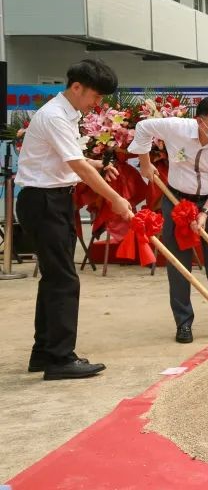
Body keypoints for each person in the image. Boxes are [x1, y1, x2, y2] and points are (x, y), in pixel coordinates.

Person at [16, 59, 133, 380]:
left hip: (54, 200)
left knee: (55, 278)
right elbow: (76, 166)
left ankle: (44, 352)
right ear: (76, 87)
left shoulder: (68, 114)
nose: (98, 103)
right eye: (96, 96)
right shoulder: (54, 116)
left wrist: (98, 164)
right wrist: (116, 198)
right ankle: (60, 359)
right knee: (64, 280)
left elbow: (71, 159)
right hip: (43, 202)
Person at [130, 96, 208, 343]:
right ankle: (183, 323)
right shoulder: (177, 128)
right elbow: (143, 127)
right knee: (178, 263)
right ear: (199, 121)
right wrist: (145, 163)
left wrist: (205, 213)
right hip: (176, 199)